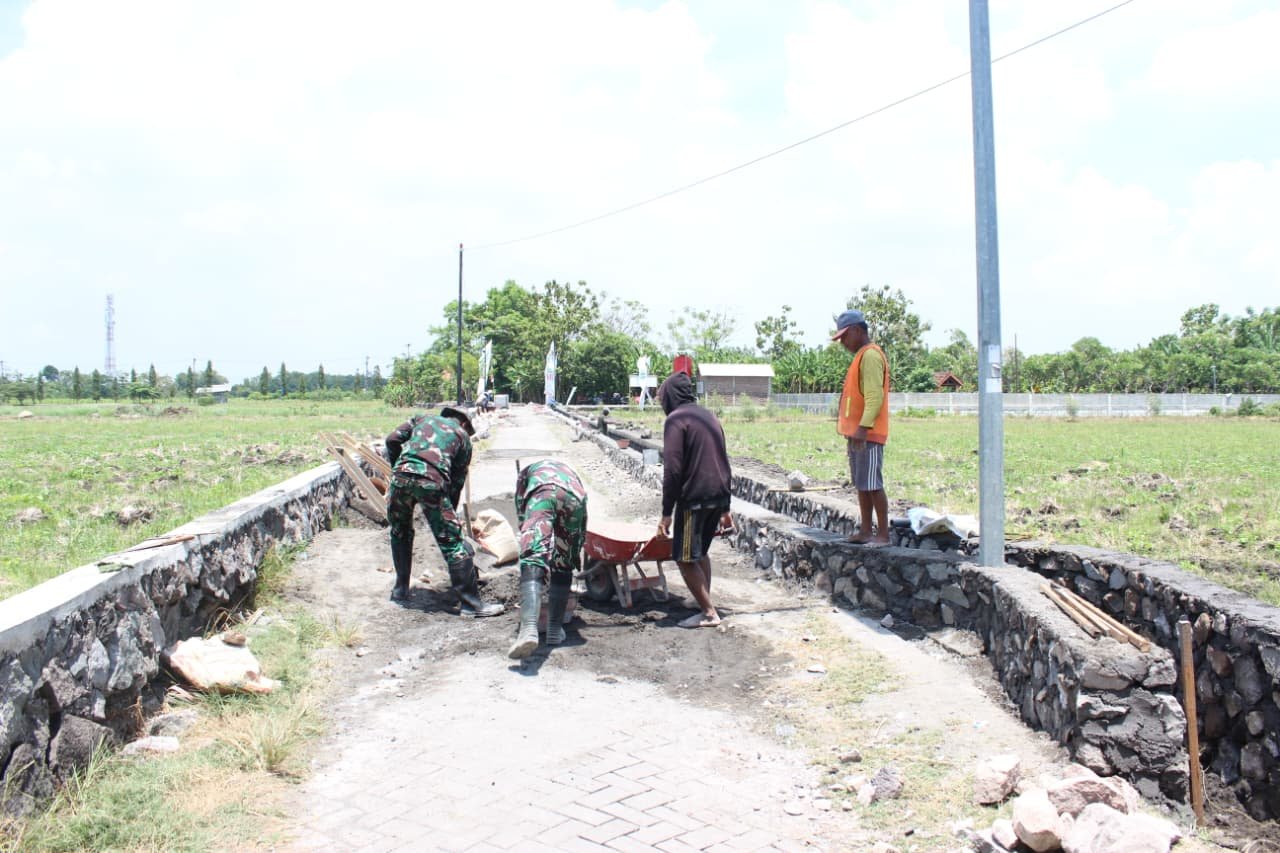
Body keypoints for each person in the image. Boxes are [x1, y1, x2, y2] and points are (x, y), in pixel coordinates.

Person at [384, 406, 505, 617]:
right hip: (431, 482)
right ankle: (471, 605)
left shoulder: (420, 419)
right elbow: (456, 484)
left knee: (399, 532)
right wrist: (451, 522)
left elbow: (391, 439)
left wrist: (398, 469)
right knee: (453, 544)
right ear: (465, 424)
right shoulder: (463, 438)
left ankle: (400, 590)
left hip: (399, 479)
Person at [656, 371, 733, 628]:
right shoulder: (709, 415)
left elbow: (673, 469)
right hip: (718, 492)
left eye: (662, 397)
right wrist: (726, 506)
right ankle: (703, 598)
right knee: (700, 551)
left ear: (670, 396)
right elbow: (723, 458)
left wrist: (667, 512)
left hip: (695, 497)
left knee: (684, 556)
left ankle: (709, 613)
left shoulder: (677, 420)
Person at [508, 459, 588, 659]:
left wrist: (533, 547)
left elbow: (522, 513)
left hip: (543, 494)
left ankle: (528, 630)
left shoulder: (526, 476)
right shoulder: (570, 473)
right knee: (563, 563)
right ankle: (554, 629)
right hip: (575, 499)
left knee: (533, 556)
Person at [832, 309, 891, 545]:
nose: (843, 343)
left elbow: (874, 397)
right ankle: (866, 530)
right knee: (862, 484)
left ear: (857, 331)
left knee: (873, 484)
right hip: (858, 434)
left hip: (868, 434)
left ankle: (883, 534)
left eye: (845, 337)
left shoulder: (871, 356)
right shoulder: (861, 357)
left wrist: (863, 427)